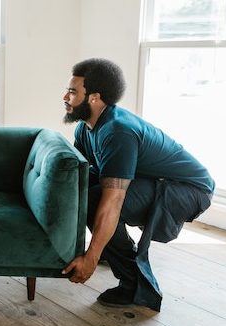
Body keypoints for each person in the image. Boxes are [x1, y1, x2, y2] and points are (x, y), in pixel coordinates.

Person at [60, 58, 214, 311]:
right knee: (88, 193)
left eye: (73, 91)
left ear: (95, 98)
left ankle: (135, 285)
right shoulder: (85, 128)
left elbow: (112, 203)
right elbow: (81, 177)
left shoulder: (117, 131)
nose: (65, 96)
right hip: (159, 181)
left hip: (188, 190)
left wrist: (91, 256)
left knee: (97, 202)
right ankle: (114, 252)